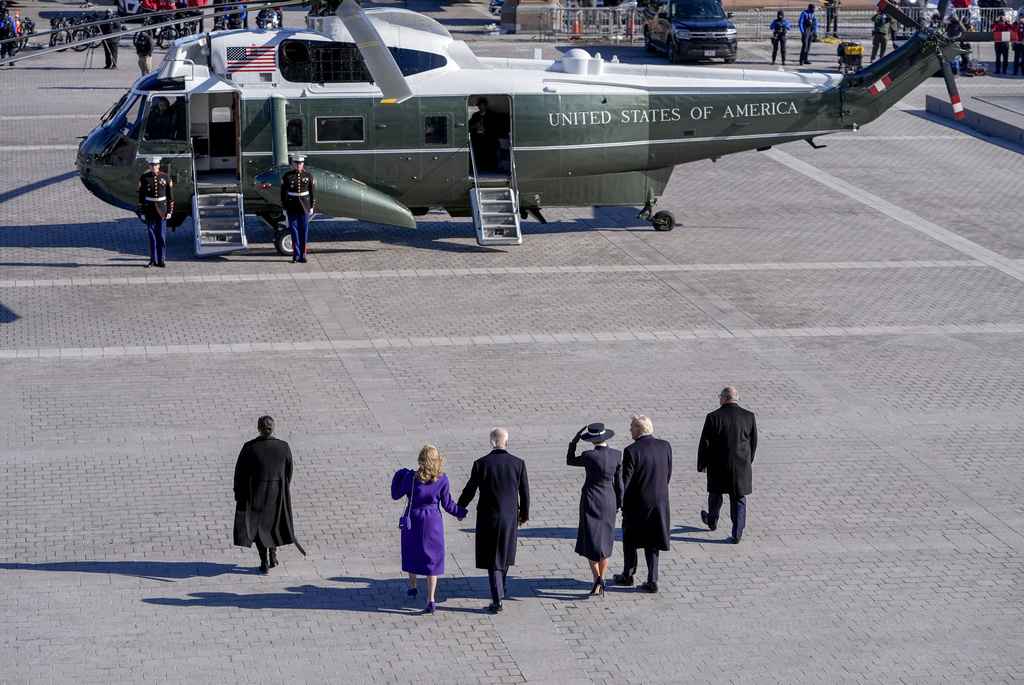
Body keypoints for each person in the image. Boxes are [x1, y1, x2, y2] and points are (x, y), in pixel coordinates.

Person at [457, 427, 530, 613]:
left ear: (491, 442)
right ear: (506, 442)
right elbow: (525, 493)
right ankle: (500, 588)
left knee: (493, 558)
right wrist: (524, 515)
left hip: (488, 517)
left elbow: (470, 490)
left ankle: (497, 597)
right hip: (510, 517)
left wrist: (460, 508)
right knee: (504, 553)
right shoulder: (518, 463)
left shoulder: (481, 464)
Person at [391, 446, 468, 615]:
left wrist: (398, 475)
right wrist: (460, 513)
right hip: (433, 520)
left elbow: (395, 494)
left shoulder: (411, 477)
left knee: (412, 552)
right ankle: (431, 598)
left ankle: (413, 586)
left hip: (414, 519)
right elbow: (448, 504)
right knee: (432, 559)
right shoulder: (442, 479)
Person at [233, 415, 306, 574]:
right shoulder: (284, 447)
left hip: (255, 492)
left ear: (258, 429)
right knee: (272, 524)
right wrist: (283, 488)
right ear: (274, 429)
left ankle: (263, 562)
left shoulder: (249, 447)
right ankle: (273, 556)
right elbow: (288, 471)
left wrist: (237, 492)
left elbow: (239, 472)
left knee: (260, 528)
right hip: (276, 491)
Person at [613, 414, 671, 594]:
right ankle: (652, 580)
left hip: (637, 503)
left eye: (631, 427)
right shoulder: (665, 446)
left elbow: (625, 480)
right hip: (660, 501)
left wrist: (618, 501)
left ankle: (628, 574)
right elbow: (667, 473)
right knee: (653, 540)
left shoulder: (631, 450)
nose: (630, 430)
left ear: (638, 430)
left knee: (630, 537)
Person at [567, 423, 623, 598]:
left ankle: (596, 578)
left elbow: (570, 460)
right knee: (606, 540)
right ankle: (602, 577)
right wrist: (619, 503)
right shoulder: (616, 455)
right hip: (609, 499)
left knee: (590, 540)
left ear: (592, 441)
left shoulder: (589, 455)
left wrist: (573, 442)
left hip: (591, 499)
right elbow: (619, 484)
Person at [697, 387, 758, 544]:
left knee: (715, 494)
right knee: (738, 498)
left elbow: (705, 443)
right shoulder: (748, 416)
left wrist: (702, 464)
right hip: (740, 467)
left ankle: (712, 520)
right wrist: (747, 461)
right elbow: (753, 442)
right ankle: (737, 534)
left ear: (724, 399)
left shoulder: (713, 417)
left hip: (718, 465)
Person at [137, 156, 173, 268]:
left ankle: (161, 259)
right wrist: (142, 212)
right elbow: (141, 197)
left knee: (161, 236)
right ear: (149, 166)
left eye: (155, 165)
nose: (154, 167)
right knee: (152, 237)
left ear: (159, 165)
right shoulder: (144, 178)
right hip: (150, 210)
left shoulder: (165, 177)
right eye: (152, 165)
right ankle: (153, 259)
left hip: (162, 209)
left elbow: (170, 196)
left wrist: (169, 211)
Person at [280, 154, 315, 263]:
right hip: (292, 206)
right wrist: (284, 207)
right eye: (296, 163)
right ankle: (296, 255)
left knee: (303, 231)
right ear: (293, 164)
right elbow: (283, 194)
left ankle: (303, 255)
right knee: (294, 232)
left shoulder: (308, 176)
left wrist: (311, 206)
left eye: (300, 163)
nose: (298, 165)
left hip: (304, 206)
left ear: (303, 164)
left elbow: (312, 192)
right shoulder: (287, 176)